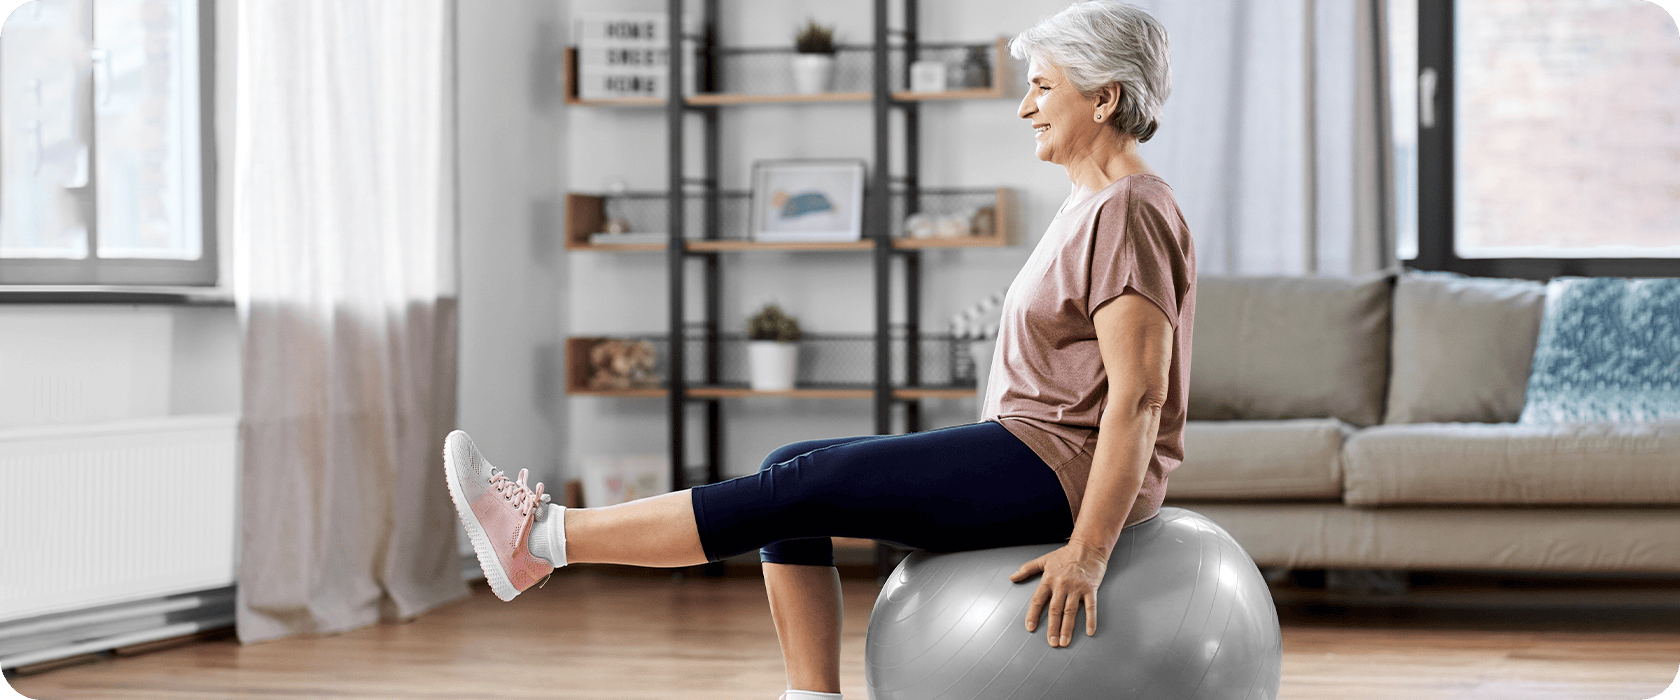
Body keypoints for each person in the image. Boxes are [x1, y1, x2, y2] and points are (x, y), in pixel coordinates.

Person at [443, 3, 1194, 699]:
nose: (1025, 107)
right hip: (1034, 450)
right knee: (787, 468)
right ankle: (811, 694)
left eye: (1042, 88)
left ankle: (544, 538)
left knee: (799, 484)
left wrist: (1089, 552)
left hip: (1058, 466)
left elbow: (1139, 396)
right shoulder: (1089, 204)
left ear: (1103, 98)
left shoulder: (1129, 209)